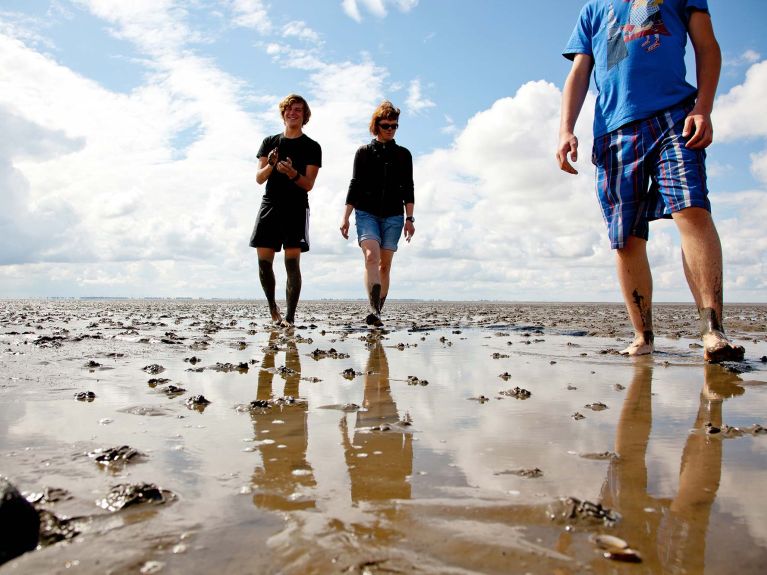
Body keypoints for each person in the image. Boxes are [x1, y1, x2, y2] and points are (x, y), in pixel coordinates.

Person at [557, 0, 744, 362]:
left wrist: (703, 107)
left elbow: (707, 45)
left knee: (690, 209)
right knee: (625, 237)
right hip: (612, 131)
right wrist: (565, 129)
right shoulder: (594, 9)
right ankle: (643, 335)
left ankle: (713, 330)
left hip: (674, 115)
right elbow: (580, 72)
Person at [340, 101, 415, 327]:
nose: (390, 129)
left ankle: (377, 313)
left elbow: (408, 188)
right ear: (376, 126)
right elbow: (355, 185)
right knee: (371, 256)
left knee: (385, 265)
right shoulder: (363, 153)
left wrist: (410, 219)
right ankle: (373, 310)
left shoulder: (404, 155)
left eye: (394, 126)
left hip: (393, 216)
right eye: (386, 125)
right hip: (366, 213)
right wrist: (345, 216)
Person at [250, 94, 321, 327]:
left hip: (296, 207)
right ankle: (272, 307)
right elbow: (259, 178)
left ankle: (290, 317)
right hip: (270, 204)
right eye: (289, 109)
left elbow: (308, 184)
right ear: (283, 114)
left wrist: (292, 173)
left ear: (304, 115)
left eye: (298, 110)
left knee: (292, 265)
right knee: (264, 263)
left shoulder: (312, 147)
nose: (293, 113)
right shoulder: (269, 142)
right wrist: (271, 165)